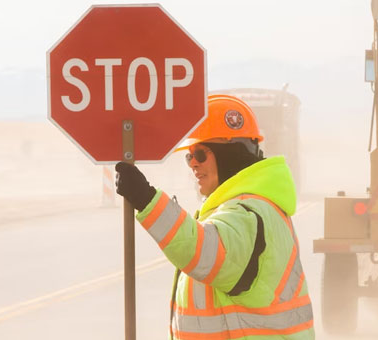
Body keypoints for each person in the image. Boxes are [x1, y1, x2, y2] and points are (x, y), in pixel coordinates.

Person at [114, 94, 314, 339]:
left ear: (231, 154)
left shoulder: (248, 212)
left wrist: (147, 199)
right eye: (189, 156)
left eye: (200, 154)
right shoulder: (250, 206)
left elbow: (206, 251)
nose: (192, 164)